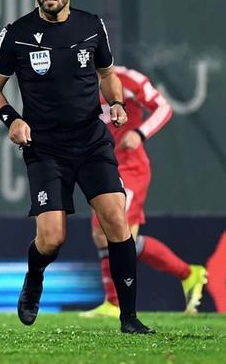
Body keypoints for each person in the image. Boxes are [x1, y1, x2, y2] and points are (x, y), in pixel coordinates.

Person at [0, 0, 153, 333]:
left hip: (91, 141)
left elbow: (108, 75)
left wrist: (118, 104)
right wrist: (13, 119)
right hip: (45, 148)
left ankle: (129, 318)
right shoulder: (16, 34)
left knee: (115, 220)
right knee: (52, 238)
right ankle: (35, 276)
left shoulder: (92, 27)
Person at [81, 66, 207, 317]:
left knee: (111, 232)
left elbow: (164, 107)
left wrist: (140, 133)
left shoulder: (125, 78)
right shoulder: (77, 81)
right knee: (111, 237)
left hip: (130, 168)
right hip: (104, 167)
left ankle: (118, 305)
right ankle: (188, 275)